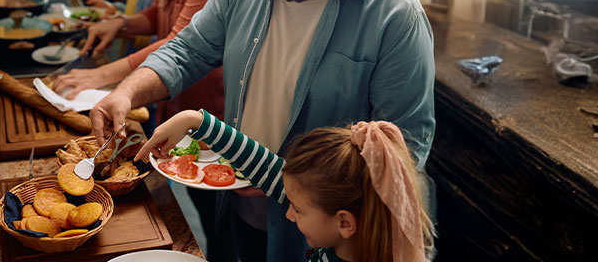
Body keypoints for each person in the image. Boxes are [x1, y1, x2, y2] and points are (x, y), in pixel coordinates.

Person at [86, 0, 436, 260]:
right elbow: (188, 50)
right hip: (235, 208)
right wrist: (126, 93)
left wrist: (283, 180)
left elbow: (402, 157)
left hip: (318, 242)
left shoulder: (394, 16)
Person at [53, 0, 246, 259]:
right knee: (189, 205)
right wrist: (122, 24)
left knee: (217, 217)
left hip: (209, 110)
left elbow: (181, 41)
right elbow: (162, 14)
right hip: (173, 98)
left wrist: (98, 76)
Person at [138, 110, 435, 262]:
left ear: (344, 222)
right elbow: (267, 168)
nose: (289, 214)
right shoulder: (333, 215)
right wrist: (195, 120)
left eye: (297, 209)